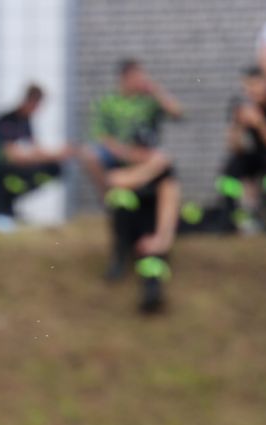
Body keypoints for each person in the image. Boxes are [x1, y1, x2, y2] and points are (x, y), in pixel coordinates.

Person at [87, 59, 184, 280]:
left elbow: (178, 112)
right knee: (119, 198)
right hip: (124, 171)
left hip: (152, 238)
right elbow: (113, 173)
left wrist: (161, 240)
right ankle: (119, 260)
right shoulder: (108, 103)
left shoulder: (148, 102)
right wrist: (144, 163)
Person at [0, 85, 72, 227]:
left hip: (13, 171)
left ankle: (9, 201)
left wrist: (57, 154)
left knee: (54, 169)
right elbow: (11, 154)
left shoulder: (26, 122)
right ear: (28, 101)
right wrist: (37, 156)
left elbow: (34, 148)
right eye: (35, 104)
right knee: (11, 173)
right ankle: (1, 206)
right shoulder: (7, 120)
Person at [216, 67, 266, 232]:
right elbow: (235, 148)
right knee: (232, 166)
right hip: (260, 156)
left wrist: (260, 123)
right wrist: (237, 126)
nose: (253, 91)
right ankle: (229, 219)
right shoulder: (246, 108)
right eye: (248, 87)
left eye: (256, 85)